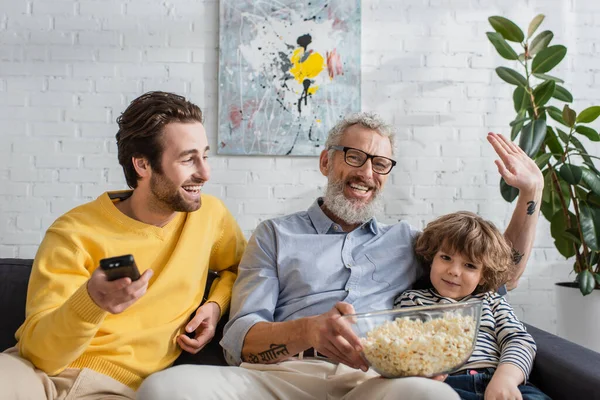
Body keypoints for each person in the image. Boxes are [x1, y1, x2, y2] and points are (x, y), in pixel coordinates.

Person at [138, 112, 544, 399]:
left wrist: (530, 194)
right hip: (281, 379)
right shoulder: (275, 235)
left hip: (373, 380)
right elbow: (239, 339)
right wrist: (309, 331)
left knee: (431, 397)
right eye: (354, 156)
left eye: (380, 163)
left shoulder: (409, 241)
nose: (367, 173)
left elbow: (498, 275)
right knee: (164, 389)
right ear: (326, 161)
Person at [0, 91, 247, 399]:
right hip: (34, 377)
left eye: (205, 156)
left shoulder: (210, 217)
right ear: (143, 165)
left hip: (120, 389)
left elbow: (244, 267)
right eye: (188, 159)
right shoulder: (73, 233)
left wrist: (215, 304)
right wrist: (92, 301)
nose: (205, 173)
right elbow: (41, 355)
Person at [394, 211, 550, 400]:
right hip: (446, 385)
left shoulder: (491, 301)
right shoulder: (412, 300)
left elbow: (518, 340)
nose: (454, 271)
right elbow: (404, 346)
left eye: (470, 265)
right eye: (446, 258)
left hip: (497, 380)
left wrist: (505, 379)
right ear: (432, 257)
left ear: (483, 275)